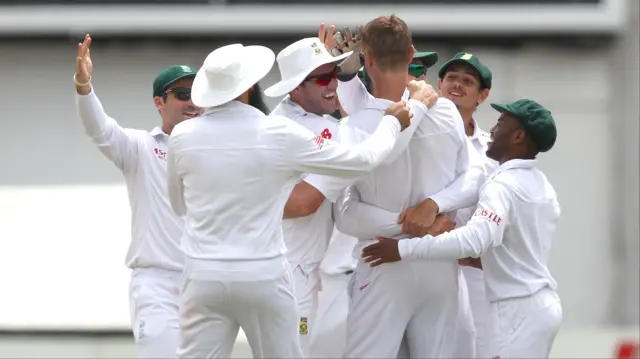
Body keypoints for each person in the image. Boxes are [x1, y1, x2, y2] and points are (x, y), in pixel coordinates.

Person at [165, 42, 413, 359]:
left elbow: (178, 206)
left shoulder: (183, 135)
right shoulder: (277, 131)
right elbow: (364, 159)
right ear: (249, 86)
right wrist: (392, 122)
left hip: (202, 275)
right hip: (263, 274)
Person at [329, 16, 484, 358]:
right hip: (438, 261)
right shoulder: (445, 111)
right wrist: (431, 215)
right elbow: (473, 177)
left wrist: (411, 223)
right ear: (412, 52)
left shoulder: (355, 125)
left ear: (368, 59)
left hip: (382, 259)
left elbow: (345, 214)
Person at [362, 99, 562, 359]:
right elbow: (513, 250)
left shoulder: (503, 184)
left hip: (516, 311)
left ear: (518, 135)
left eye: (501, 124)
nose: (492, 130)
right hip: (541, 307)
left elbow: (475, 240)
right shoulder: (541, 184)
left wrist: (402, 248)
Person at [73, 34, 201, 358]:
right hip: (157, 286)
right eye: (183, 94)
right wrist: (84, 86)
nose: (192, 102)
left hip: (205, 284)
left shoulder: (214, 149)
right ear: (160, 102)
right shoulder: (141, 147)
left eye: (197, 93)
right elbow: (99, 130)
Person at [438, 51, 498, 358]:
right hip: (425, 266)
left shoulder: (493, 150)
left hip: (472, 272)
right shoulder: (419, 135)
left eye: (467, 80)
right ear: (439, 84)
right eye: (451, 77)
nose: (457, 85)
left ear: (482, 95)